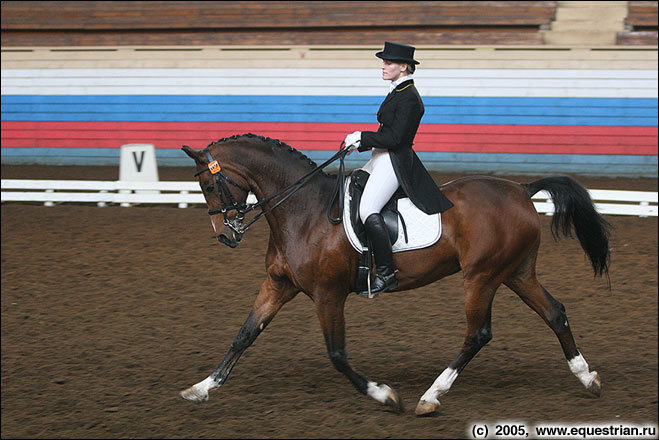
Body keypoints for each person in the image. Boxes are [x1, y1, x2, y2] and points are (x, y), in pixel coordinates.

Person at [344, 41, 454, 296]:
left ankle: (385, 272)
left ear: (404, 67)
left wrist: (363, 136)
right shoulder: (397, 91)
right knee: (353, 186)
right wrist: (360, 144)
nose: (383, 66)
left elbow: (396, 140)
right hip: (381, 157)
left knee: (367, 209)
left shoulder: (410, 99)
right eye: (383, 61)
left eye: (389, 62)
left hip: (395, 161)